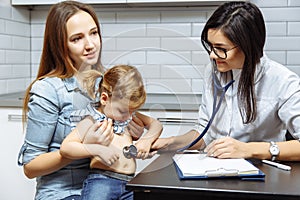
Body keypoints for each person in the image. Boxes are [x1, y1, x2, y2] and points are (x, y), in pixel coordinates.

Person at [17, 1, 161, 200]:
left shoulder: (106, 83)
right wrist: (87, 148)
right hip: (64, 193)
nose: (90, 44)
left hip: (109, 185)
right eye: (77, 38)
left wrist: (135, 137)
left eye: (94, 33)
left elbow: (144, 124)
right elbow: (30, 168)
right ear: (60, 45)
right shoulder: (47, 90)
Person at [151, 1, 300, 161]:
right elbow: (205, 133)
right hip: (215, 169)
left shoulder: (283, 82)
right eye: (210, 46)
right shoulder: (214, 71)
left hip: (262, 174)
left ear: (248, 46)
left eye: (221, 49)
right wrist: (169, 143)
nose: (212, 56)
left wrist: (248, 149)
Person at [60, 65, 161, 200]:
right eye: (124, 111)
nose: (129, 116)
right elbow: (66, 147)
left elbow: (156, 125)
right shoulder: (91, 120)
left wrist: (146, 141)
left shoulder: (126, 114)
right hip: (102, 181)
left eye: (132, 111)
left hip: (130, 182)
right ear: (104, 99)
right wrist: (96, 150)